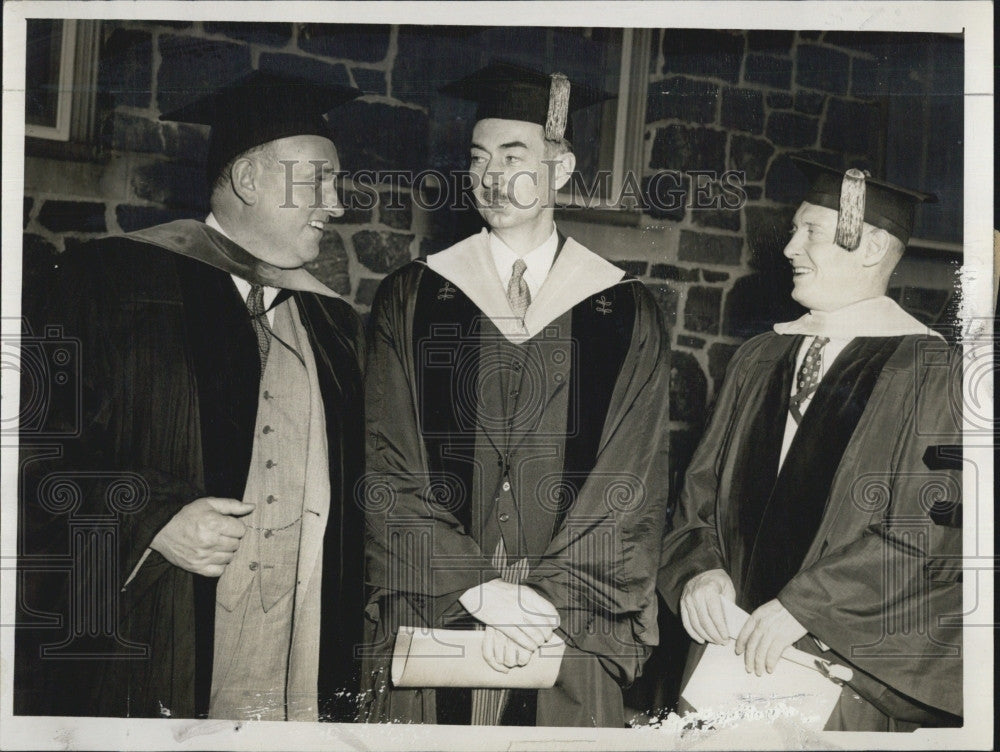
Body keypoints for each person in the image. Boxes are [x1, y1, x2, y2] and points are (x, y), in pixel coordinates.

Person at [15, 70, 367, 721]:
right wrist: (150, 519)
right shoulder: (110, 284)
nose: (337, 204)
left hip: (298, 677)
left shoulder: (333, 327)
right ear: (248, 180)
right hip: (163, 652)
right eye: (317, 178)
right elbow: (30, 457)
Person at [360, 62, 671, 727]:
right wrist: (476, 588)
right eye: (478, 159)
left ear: (561, 169)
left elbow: (631, 483)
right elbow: (388, 465)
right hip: (438, 605)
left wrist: (541, 604)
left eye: (514, 156)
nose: (492, 178)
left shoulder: (627, 311)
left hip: (566, 621)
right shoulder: (412, 298)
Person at [658, 157, 963, 731]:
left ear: (871, 247)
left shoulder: (932, 371)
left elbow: (934, 532)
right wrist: (699, 570)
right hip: (724, 658)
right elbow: (695, 497)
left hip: (840, 671)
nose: (790, 247)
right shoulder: (759, 358)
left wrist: (806, 606)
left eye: (811, 232)